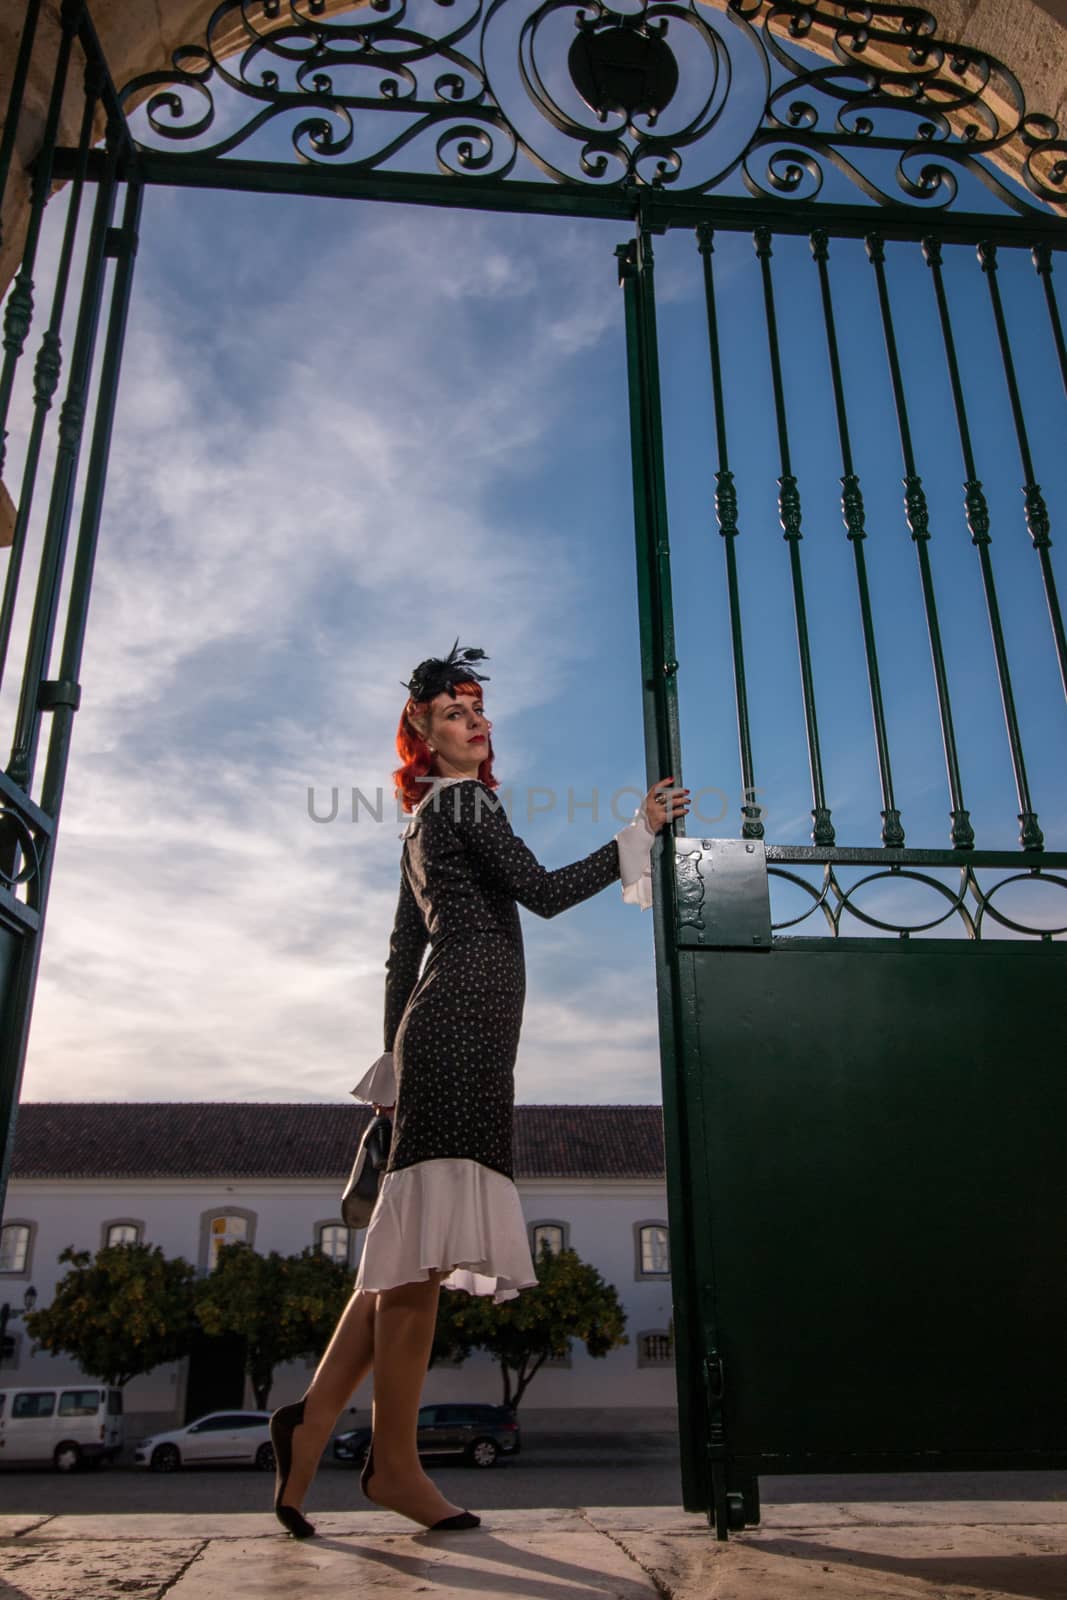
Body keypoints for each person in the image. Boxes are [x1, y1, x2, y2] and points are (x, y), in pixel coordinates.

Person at [269, 639, 689, 1538]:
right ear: (422, 728)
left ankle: (306, 1429)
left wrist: (391, 1062)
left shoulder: (423, 823)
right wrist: (638, 831)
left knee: (402, 1250)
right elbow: (540, 892)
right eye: (457, 712)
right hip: (460, 1034)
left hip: (447, 1034)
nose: (476, 722)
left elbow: (398, 955)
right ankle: (394, 1468)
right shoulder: (463, 806)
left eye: (479, 710)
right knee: (419, 1260)